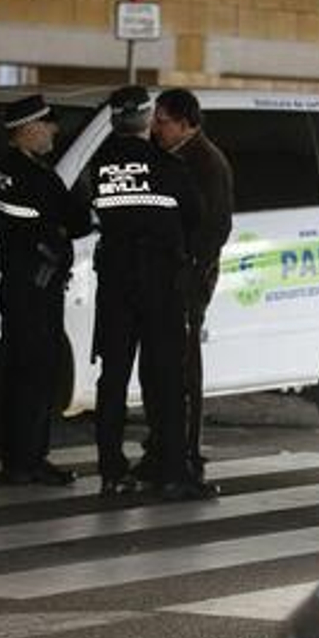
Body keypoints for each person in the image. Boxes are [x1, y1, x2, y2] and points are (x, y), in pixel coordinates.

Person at [83, 86, 207, 500]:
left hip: (115, 286)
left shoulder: (98, 166)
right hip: (159, 286)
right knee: (166, 379)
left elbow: (88, 215)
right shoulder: (166, 166)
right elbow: (197, 217)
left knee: (113, 380)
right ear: (145, 117)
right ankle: (172, 471)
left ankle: (111, 472)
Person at [0, 94, 91, 485]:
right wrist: (56, 233)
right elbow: (33, 230)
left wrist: (60, 228)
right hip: (29, 284)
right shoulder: (14, 171)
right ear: (27, 129)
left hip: (42, 283)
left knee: (40, 370)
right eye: (47, 123)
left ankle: (29, 455)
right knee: (30, 371)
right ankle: (23, 461)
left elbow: (76, 222)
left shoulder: (38, 170)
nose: (54, 130)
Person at [148, 88, 234, 498]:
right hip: (162, 275)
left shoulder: (205, 162)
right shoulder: (167, 155)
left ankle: (185, 457)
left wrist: (190, 270)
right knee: (158, 368)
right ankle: (160, 449)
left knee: (182, 371)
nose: (155, 127)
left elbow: (214, 227)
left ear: (185, 122)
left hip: (185, 281)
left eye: (162, 121)